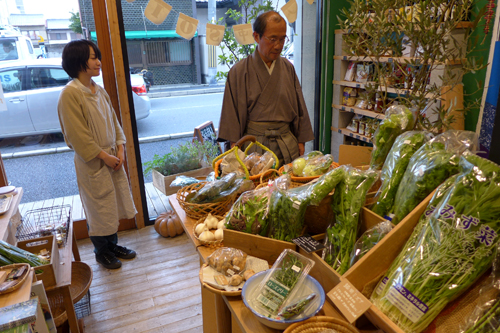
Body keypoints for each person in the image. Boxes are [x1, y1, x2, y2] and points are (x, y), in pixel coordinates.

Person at [57, 40, 137, 270]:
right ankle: (101, 251)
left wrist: (120, 148)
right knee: (98, 207)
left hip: (112, 157)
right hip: (93, 162)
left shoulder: (98, 90)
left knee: (111, 205)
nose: (98, 61)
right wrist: (105, 156)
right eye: (93, 57)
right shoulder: (70, 95)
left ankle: (112, 245)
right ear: (79, 62)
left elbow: (114, 121)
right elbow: (77, 137)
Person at [217, 11, 314, 166]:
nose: (278, 46)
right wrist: (235, 150)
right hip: (253, 149)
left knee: (286, 187)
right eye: (273, 39)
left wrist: (301, 141)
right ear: (256, 37)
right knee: (256, 189)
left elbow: (299, 106)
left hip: (286, 146)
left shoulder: (288, 68)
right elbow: (231, 115)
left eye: (283, 39)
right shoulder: (239, 71)